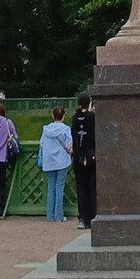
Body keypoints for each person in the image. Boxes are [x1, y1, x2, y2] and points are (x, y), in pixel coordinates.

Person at [38, 107, 73, 223]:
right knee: (59, 187)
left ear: (53, 116)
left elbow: (41, 144)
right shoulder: (66, 129)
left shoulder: (46, 129)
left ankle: (50, 215)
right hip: (62, 161)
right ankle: (59, 216)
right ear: (63, 116)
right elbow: (69, 146)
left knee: (51, 187)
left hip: (49, 161)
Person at [70, 94, 96, 230]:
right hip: (91, 158)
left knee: (81, 188)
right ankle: (93, 216)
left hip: (78, 158)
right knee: (92, 188)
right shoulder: (92, 117)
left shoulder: (75, 118)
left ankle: (83, 218)